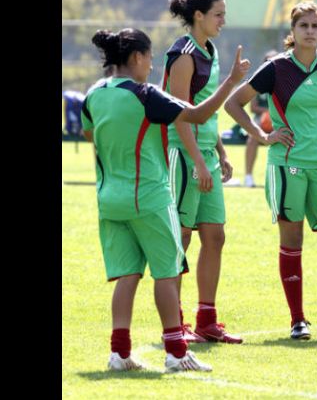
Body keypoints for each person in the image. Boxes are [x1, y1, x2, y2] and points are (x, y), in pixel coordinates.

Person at [84, 28, 250, 372]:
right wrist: (232, 80)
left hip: (109, 199)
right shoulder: (146, 95)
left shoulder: (93, 94)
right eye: (149, 57)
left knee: (127, 276)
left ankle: (119, 353)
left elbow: (91, 134)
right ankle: (176, 353)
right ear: (136, 58)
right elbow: (199, 114)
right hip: (149, 197)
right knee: (167, 272)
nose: (152, 64)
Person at [225, 1, 317, 340]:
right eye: (304, 26)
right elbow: (233, 102)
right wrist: (261, 135)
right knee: (292, 242)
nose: (310, 32)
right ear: (293, 31)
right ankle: (298, 320)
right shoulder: (277, 69)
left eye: (316, 26)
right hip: (287, 167)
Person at [161, 0, 243, 344]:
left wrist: (220, 151)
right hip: (184, 155)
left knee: (215, 236)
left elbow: (206, 109)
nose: (223, 21)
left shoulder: (209, 49)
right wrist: (198, 161)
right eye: (218, 14)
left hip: (206, 153)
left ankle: (206, 319)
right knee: (180, 239)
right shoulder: (183, 54)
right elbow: (180, 115)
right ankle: (175, 323)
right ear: (199, 16)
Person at [244, 49, 278, 188]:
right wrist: (268, 112)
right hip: (261, 118)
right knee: (252, 138)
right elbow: (252, 107)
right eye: (268, 61)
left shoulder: (285, 79)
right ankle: (248, 176)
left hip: (279, 119)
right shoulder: (258, 79)